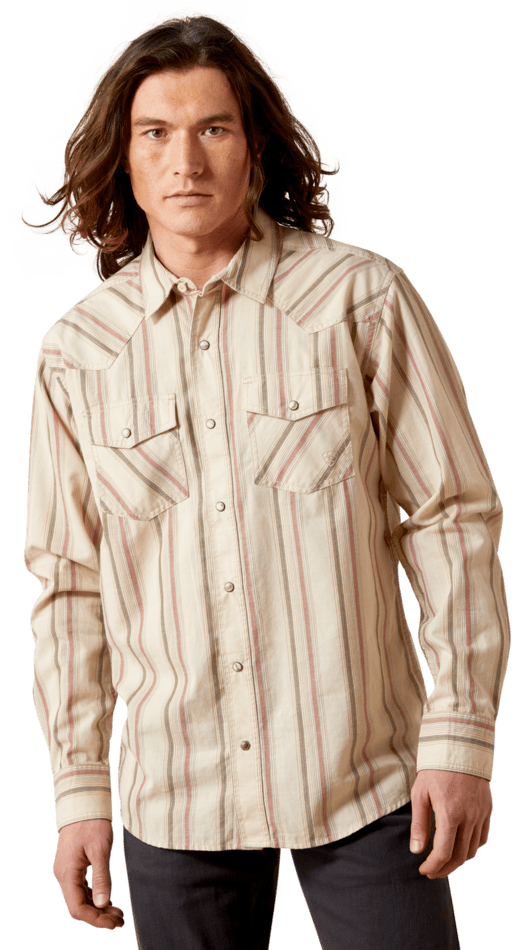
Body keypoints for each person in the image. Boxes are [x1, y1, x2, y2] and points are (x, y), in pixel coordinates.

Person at [24, 12, 509, 950]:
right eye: (155, 133)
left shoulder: (358, 300)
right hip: (177, 797)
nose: (185, 161)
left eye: (213, 128)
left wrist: (460, 735)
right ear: (124, 159)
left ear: (255, 147)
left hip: (368, 781)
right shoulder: (77, 354)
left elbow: (452, 515)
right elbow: (71, 586)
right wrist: (80, 787)